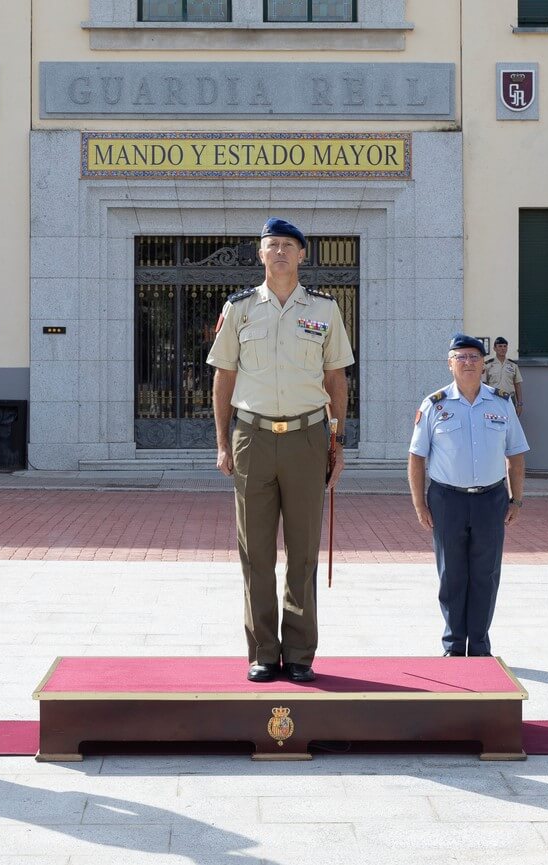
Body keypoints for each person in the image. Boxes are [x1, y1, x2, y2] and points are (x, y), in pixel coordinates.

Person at [207, 217, 354, 683]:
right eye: (273, 245)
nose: (281, 252)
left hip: (307, 437)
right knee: (255, 552)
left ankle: (300, 653)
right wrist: (223, 441)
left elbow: (336, 378)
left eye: (290, 245)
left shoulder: (325, 310)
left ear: (302, 254)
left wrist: (337, 442)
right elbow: (224, 376)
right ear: (261, 254)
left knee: (304, 551)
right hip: (252, 437)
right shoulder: (240, 309)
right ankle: (263, 652)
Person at [409, 334, 529, 658]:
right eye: (460, 357)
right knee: (451, 574)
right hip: (447, 500)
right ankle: (453, 644)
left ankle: (479, 645)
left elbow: (516, 454)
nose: (468, 363)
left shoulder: (501, 403)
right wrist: (419, 504)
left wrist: (516, 499)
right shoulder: (434, 405)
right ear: (449, 364)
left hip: (491, 500)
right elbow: (417, 457)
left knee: (485, 574)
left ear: (483, 364)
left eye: (474, 357)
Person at [482, 336, 524, 416]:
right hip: (493, 399)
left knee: (510, 422)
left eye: (505, 346)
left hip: (509, 399)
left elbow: (517, 385)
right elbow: (483, 385)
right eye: (500, 346)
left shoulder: (513, 365)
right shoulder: (488, 365)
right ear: (494, 348)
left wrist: (520, 404)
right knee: (494, 422)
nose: (503, 349)